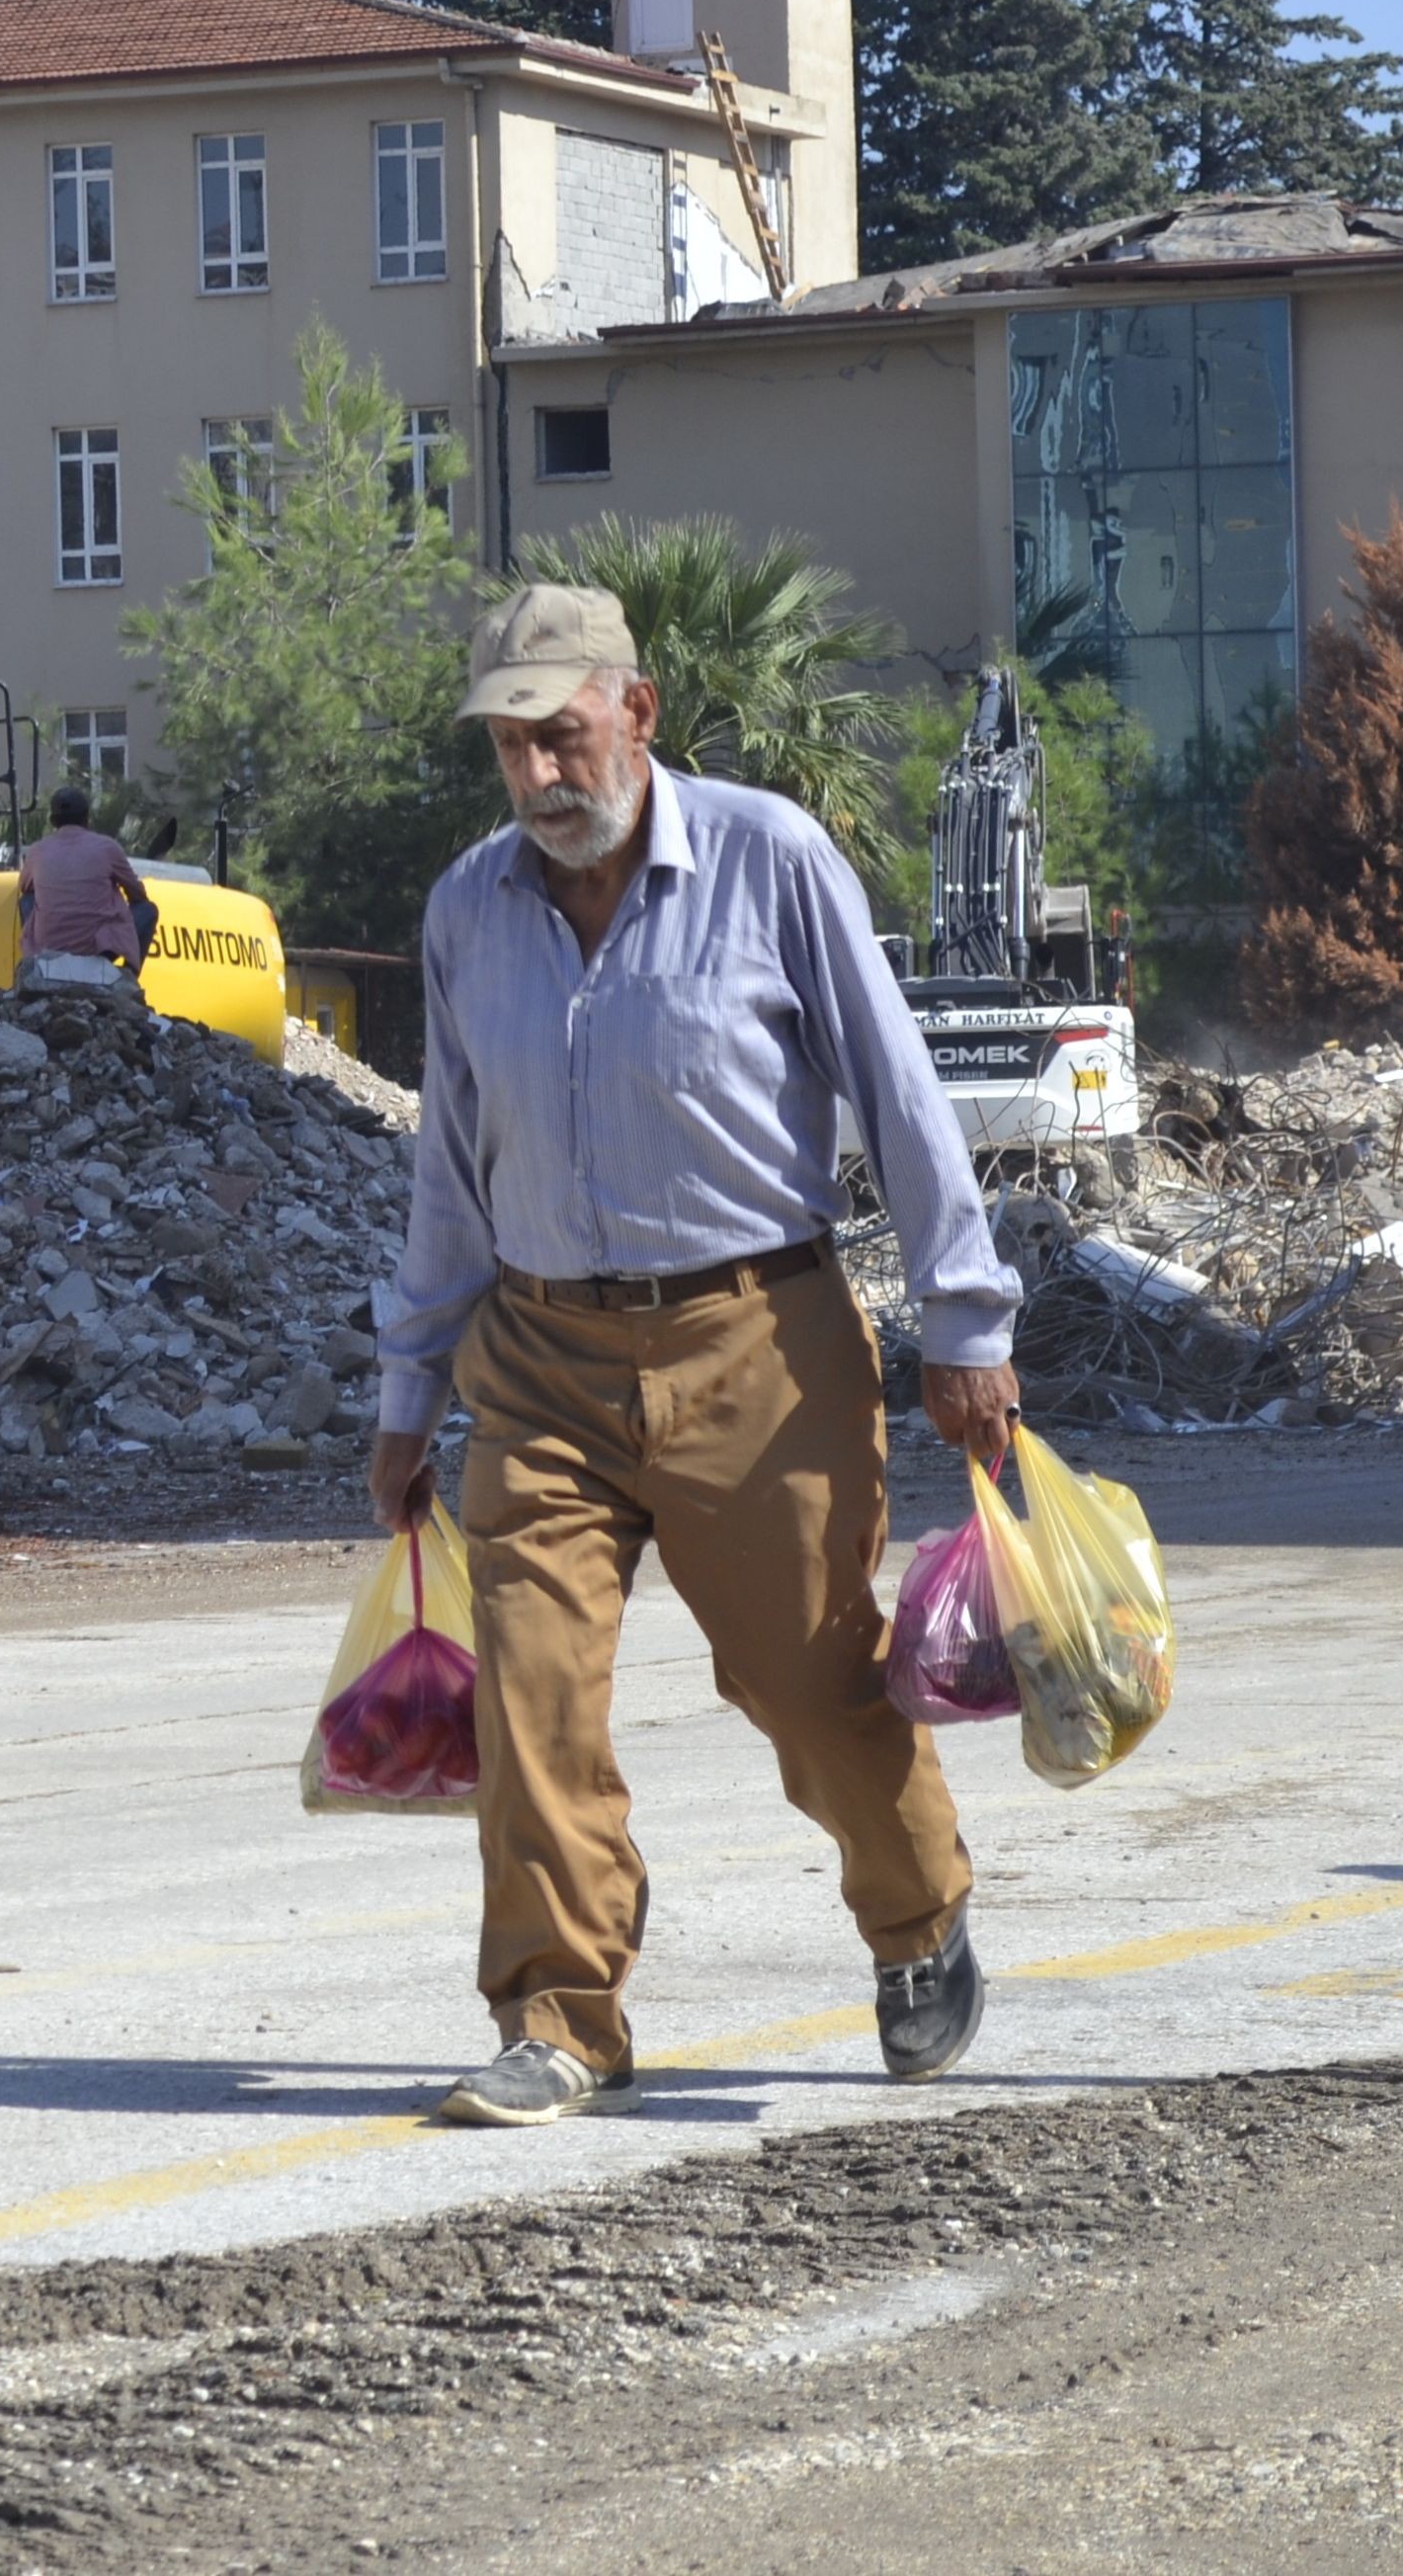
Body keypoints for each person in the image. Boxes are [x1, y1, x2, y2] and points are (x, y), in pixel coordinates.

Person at [371, 584, 1022, 2127]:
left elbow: (900, 1088)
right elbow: (451, 1168)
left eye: (564, 735)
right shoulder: (470, 907)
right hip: (535, 1355)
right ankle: (560, 2006)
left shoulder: (770, 857)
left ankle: (920, 1916)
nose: (540, 777)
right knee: (529, 1692)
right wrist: (409, 1385)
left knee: (806, 1684)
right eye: (510, 749)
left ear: (638, 713)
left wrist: (965, 1320)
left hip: (760, 1344)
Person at [15, 787, 154, 969]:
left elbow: (25, 887)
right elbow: (138, 896)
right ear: (86, 818)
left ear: (52, 821)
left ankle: (34, 964)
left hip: (48, 950)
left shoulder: (37, 851)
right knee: (148, 910)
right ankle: (129, 977)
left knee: (27, 900)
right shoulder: (107, 848)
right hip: (99, 950)